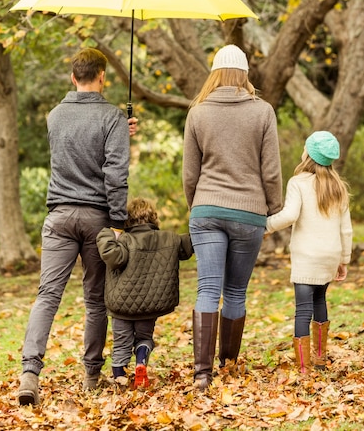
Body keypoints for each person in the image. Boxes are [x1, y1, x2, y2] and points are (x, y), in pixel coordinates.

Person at [18, 47, 138, 406]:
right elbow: (114, 173)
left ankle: (29, 373)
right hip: (97, 217)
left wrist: (120, 131)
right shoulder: (112, 117)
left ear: (73, 77)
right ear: (102, 76)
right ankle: (91, 374)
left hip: (58, 216)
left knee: (47, 295)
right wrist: (118, 222)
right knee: (95, 299)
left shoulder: (55, 115)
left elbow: (77, 148)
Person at [182, 44, 282, 391]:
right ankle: (228, 363)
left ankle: (201, 375)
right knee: (235, 291)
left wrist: (196, 206)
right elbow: (270, 171)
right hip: (248, 212)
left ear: (214, 74)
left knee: (207, 289)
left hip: (206, 209)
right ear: (245, 74)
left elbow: (189, 175)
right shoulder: (263, 112)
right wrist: (275, 207)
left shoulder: (197, 113)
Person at [266, 131, 352, 374]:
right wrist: (343, 260)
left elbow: (290, 215)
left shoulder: (299, 182)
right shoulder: (338, 187)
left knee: (303, 309)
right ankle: (321, 359)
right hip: (330, 255)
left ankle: (304, 368)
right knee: (320, 301)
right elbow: (345, 229)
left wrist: (267, 225)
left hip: (307, 256)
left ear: (309, 155)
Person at [96, 197, 193, 388]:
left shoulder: (123, 240)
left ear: (128, 219)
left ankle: (120, 379)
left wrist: (106, 232)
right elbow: (188, 245)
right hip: (151, 305)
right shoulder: (170, 239)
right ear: (154, 217)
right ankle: (141, 362)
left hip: (122, 305)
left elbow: (112, 257)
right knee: (144, 338)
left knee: (122, 342)